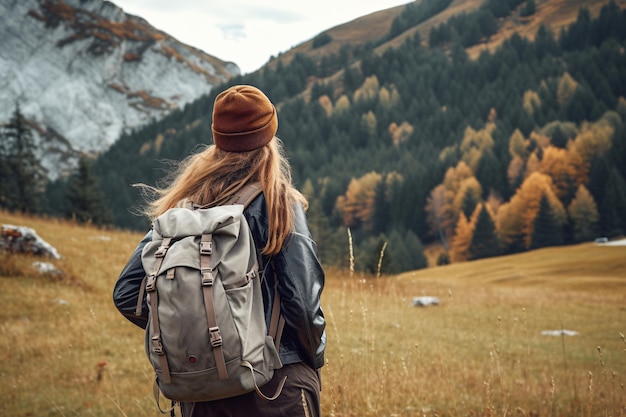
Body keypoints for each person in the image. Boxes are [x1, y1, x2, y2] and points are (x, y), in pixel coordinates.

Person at [113, 84, 326, 417]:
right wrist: (314, 359)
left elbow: (128, 293)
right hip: (276, 385)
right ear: (270, 137)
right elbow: (301, 300)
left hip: (202, 394)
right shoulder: (279, 202)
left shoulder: (182, 207)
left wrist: (197, 337)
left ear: (217, 138)